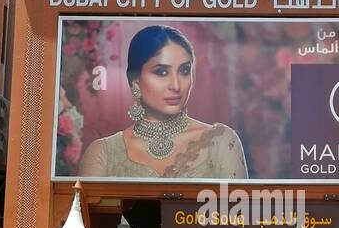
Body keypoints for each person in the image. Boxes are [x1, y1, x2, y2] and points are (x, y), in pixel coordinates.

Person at [80, 25, 248, 179]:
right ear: (135, 80)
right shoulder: (104, 153)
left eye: (184, 70)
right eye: (161, 72)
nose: (176, 85)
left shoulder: (221, 142)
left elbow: (239, 211)